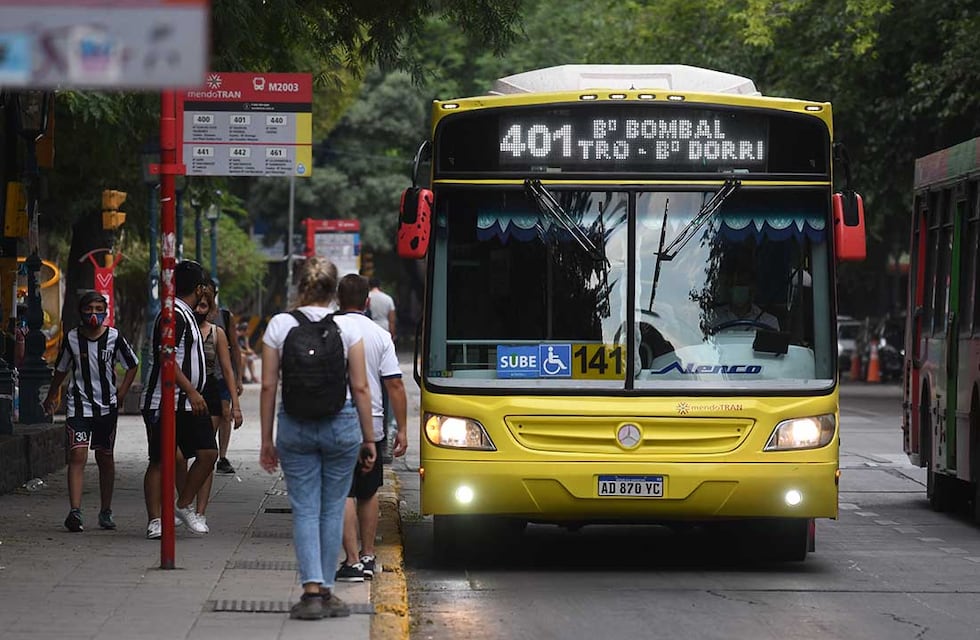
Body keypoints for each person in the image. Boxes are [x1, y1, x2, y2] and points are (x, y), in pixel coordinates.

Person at [259, 256, 376, 621]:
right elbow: (359, 387)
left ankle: (310, 591)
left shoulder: (279, 325)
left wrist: (267, 438)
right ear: (333, 292)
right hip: (340, 425)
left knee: (306, 509)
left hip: (294, 425)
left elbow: (267, 385)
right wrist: (368, 439)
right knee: (332, 506)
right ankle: (327, 590)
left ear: (300, 286)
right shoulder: (348, 328)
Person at [43, 291, 139, 532]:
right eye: (89, 308)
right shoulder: (72, 338)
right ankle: (75, 512)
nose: (94, 313)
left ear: (106, 311)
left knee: (105, 457)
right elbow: (62, 369)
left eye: (99, 308)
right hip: (79, 405)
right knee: (77, 456)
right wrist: (52, 395)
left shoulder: (114, 337)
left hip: (106, 407)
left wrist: (122, 393)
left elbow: (132, 364)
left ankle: (105, 511)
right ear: (81, 312)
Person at [333, 274, 408, 583]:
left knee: (343, 493)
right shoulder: (379, 335)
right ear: (367, 302)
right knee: (367, 492)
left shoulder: (329, 330)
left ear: (338, 299)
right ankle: (367, 555)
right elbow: (394, 383)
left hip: (335, 422)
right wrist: (402, 429)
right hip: (372, 426)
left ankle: (350, 560)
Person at [140, 260, 217, 539]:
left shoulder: (187, 315)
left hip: (188, 403)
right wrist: (192, 391)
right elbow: (167, 358)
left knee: (208, 453)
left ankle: (183, 504)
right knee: (161, 459)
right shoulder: (173, 315)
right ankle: (155, 520)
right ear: (199, 288)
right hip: (167, 401)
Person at [179, 279, 243, 532]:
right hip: (183, 395)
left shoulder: (218, 330)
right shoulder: (181, 328)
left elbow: (228, 366)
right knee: (178, 455)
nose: (201, 306)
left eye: (206, 302)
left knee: (207, 452)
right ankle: (182, 503)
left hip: (210, 392)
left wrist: (236, 402)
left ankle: (200, 512)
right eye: (198, 302)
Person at [211, 288, 243, 474]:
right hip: (203, 375)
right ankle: (208, 451)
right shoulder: (194, 315)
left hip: (223, 373)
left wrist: (238, 377)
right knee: (209, 415)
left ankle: (222, 456)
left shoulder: (224, 316)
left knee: (225, 412)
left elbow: (236, 348)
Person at [711, 265, 780, 331]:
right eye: (733, 285)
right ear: (728, 288)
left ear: (752, 289)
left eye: (742, 284)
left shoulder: (769, 322)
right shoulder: (712, 318)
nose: (737, 288)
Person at [367, 278, 396, 342]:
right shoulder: (388, 299)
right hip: (384, 328)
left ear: (369, 286)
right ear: (379, 286)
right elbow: (392, 320)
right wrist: (392, 334)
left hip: (370, 328)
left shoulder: (366, 298)